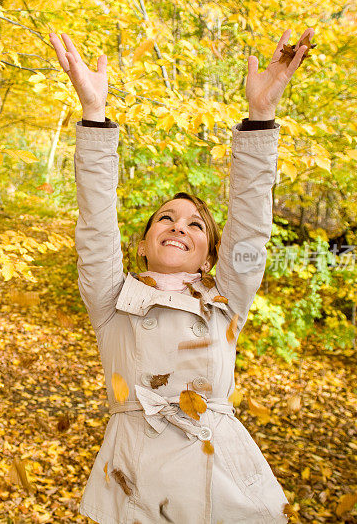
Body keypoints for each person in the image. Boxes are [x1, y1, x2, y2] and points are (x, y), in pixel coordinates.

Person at [49, 28, 314, 523]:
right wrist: (93, 114)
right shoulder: (112, 298)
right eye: (166, 218)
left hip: (222, 477)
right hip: (135, 482)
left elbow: (251, 226)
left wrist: (261, 119)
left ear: (211, 256)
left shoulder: (227, 297)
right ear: (144, 243)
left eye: (195, 225)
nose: (178, 227)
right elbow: (95, 218)